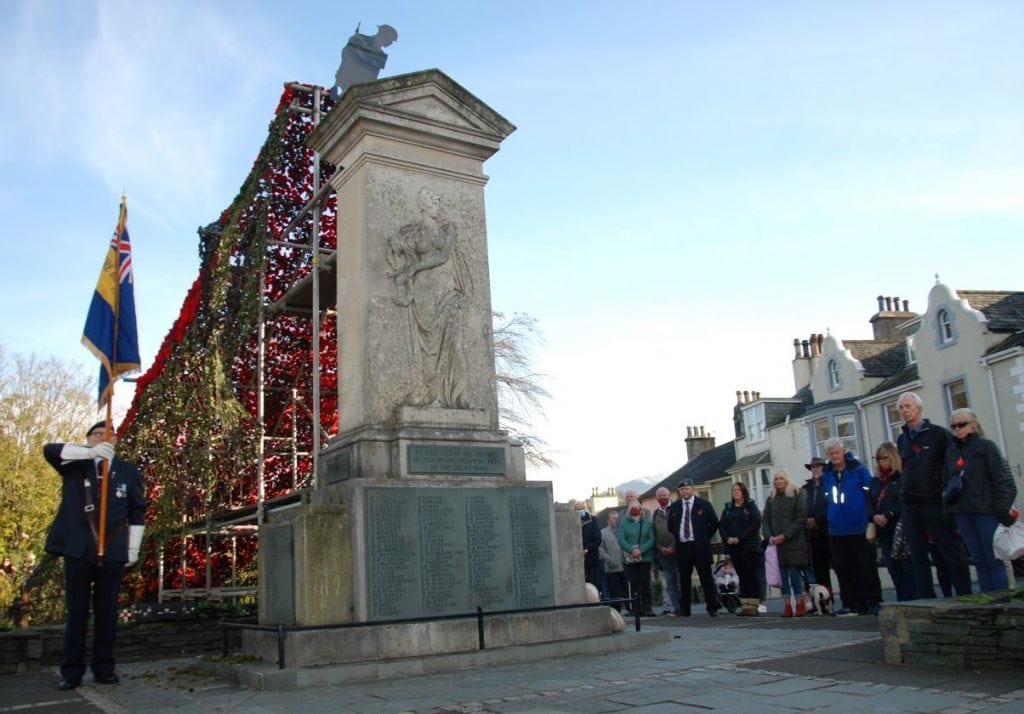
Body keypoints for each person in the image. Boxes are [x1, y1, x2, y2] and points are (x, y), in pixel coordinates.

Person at [43, 421, 146, 690]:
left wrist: (132, 548)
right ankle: (72, 671)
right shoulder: (75, 465)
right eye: (98, 434)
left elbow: (137, 510)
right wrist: (90, 453)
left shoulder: (127, 470)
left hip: (112, 549)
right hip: (79, 548)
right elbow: (50, 450)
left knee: (107, 612)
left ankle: (104, 667)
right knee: (76, 612)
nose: (104, 438)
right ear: (88, 439)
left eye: (110, 435)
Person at [896, 392, 972, 598]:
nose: (904, 410)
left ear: (918, 408)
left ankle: (965, 595)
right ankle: (926, 599)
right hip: (911, 503)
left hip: (934, 501)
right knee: (917, 555)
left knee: (950, 550)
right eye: (901, 407)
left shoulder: (938, 434)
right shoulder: (902, 439)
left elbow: (953, 465)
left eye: (908, 406)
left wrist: (946, 494)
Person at [945, 408, 1018, 592]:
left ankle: (1001, 601)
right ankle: (987, 601)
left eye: (961, 424)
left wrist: (1001, 508)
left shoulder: (986, 446)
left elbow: (1001, 479)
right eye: (953, 426)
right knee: (979, 560)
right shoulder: (952, 451)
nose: (957, 429)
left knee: (993, 558)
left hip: (986, 510)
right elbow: (947, 481)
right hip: (963, 510)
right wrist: (949, 511)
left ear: (973, 425)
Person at [821, 439, 882, 616]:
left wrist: (869, 517)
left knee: (866, 566)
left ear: (843, 452)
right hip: (836, 528)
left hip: (858, 525)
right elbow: (828, 497)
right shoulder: (827, 474)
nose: (834, 456)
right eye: (831, 454)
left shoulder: (858, 470)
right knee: (842, 567)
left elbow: (870, 493)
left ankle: (874, 601)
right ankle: (850, 603)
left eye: (836, 453)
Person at [869, 442, 916, 601]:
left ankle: (912, 599)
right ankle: (902, 599)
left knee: (906, 565)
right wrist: (873, 516)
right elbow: (868, 501)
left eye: (885, 458)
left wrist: (888, 515)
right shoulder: (876, 481)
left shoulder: (901, 478)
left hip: (899, 528)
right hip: (882, 530)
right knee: (892, 567)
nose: (882, 462)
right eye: (879, 459)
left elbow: (903, 501)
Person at [667, 478, 721, 617]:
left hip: (700, 547)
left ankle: (712, 607)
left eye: (687, 488)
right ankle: (685, 609)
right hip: (683, 547)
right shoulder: (675, 507)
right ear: (679, 491)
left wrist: (703, 537)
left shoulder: (703, 504)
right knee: (684, 579)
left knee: (706, 578)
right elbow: (671, 527)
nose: (685, 491)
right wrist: (681, 536)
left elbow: (714, 523)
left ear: (692, 489)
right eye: (682, 489)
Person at [762, 469, 811, 617]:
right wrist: (770, 536)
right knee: (782, 576)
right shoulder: (771, 498)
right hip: (777, 543)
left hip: (793, 541)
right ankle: (787, 605)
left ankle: (800, 602)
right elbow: (765, 520)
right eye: (776, 479)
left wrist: (786, 535)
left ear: (787, 479)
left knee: (795, 574)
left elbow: (801, 517)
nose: (778, 481)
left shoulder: (797, 494)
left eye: (781, 478)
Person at [719, 482, 762, 616]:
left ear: (743, 492)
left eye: (738, 490)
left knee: (751, 576)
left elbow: (756, 523)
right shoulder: (728, 509)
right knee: (742, 576)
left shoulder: (750, 506)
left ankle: (753, 606)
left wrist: (740, 538)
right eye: (734, 490)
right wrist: (727, 538)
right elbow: (722, 526)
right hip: (734, 548)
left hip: (749, 547)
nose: (736, 492)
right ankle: (745, 605)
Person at [332, 23, 398, 96]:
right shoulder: (360, 38)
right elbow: (347, 53)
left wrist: (363, 54)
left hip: (364, 88)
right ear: (385, 35)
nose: (391, 43)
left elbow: (374, 71)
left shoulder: (381, 54)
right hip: (347, 82)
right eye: (391, 40)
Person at [616, 498, 655, 616]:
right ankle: (635, 609)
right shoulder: (623, 523)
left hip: (645, 558)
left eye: (636, 506)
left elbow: (651, 539)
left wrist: (641, 550)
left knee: (645, 583)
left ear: (640, 509)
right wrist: (632, 550)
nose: (634, 508)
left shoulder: (647, 523)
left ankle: (647, 608)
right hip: (629, 559)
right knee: (633, 584)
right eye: (631, 506)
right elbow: (621, 539)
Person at [802, 456, 834, 600]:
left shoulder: (829, 484)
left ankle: (850, 601)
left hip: (829, 531)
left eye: (818, 467)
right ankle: (826, 601)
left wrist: (817, 520)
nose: (816, 469)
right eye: (813, 467)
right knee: (820, 572)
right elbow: (801, 508)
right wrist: (807, 520)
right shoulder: (806, 489)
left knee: (840, 567)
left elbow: (831, 506)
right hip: (813, 535)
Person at [652, 487, 682, 615]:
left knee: (681, 579)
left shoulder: (676, 508)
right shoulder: (655, 514)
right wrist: (660, 548)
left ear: (669, 495)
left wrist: (673, 547)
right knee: (670, 582)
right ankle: (675, 608)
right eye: (660, 496)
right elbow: (654, 533)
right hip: (663, 554)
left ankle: (683, 607)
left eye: (664, 495)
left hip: (678, 551)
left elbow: (681, 528)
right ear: (657, 498)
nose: (662, 497)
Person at [599, 511, 627, 611]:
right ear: (608, 520)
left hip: (625, 565)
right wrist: (609, 560)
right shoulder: (603, 532)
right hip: (612, 567)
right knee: (614, 591)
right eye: (614, 518)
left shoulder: (623, 530)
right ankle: (616, 610)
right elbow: (600, 549)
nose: (616, 520)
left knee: (627, 590)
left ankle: (630, 609)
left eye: (617, 518)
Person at [574, 500, 602, 589]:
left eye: (582, 508)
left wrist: (586, 549)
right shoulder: (571, 522)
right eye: (577, 509)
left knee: (593, 587)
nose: (580, 511)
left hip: (592, 560)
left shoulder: (592, 520)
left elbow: (597, 539)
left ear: (585, 509)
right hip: (577, 562)